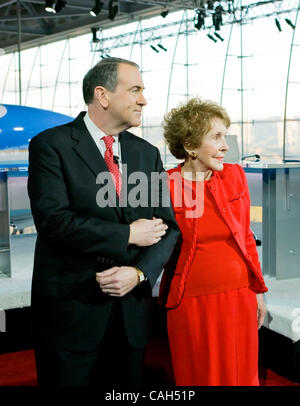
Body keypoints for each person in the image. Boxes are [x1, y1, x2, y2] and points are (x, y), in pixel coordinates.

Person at [27, 57, 179, 386]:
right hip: (71, 316)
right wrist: (127, 234)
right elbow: (54, 223)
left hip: (131, 319)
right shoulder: (51, 146)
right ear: (103, 95)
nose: (144, 99)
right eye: (135, 90)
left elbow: (168, 228)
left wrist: (138, 273)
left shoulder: (146, 153)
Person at [159, 98, 268, 386]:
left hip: (240, 296)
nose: (225, 146)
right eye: (216, 137)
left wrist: (258, 290)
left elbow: (245, 236)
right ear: (190, 145)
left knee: (243, 376)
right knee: (200, 376)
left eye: (225, 136)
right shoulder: (166, 186)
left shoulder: (235, 176)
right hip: (192, 303)